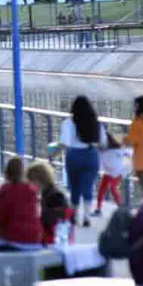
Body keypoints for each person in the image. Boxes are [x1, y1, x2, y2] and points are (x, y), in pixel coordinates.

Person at [60, 96, 107, 228]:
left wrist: (54, 152)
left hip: (73, 156)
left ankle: (74, 215)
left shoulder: (68, 122)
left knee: (74, 186)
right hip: (91, 155)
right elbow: (103, 144)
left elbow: (64, 143)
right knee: (88, 186)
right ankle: (86, 216)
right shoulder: (96, 123)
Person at [0, 157, 42, 252]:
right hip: (34, 237)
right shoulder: (32, 190)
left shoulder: (5, 189)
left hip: (14, 238)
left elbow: (0, 219)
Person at [27, 162, 74, 246]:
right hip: (59, 237)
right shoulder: (51, 192)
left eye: (30, 182)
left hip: (54, 240)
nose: (29, 187)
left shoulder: (54, 195)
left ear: (37, 180)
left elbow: (53, 220)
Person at [95, 134, 129, 216]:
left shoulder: (117, 150)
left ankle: (121, 208)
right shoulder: (101, 152)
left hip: (117, 173)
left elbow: (127, 156)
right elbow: (99, 165)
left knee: (112, 188)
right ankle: (98, 209)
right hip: (108, 173)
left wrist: (124, 171)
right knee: (101, 189)